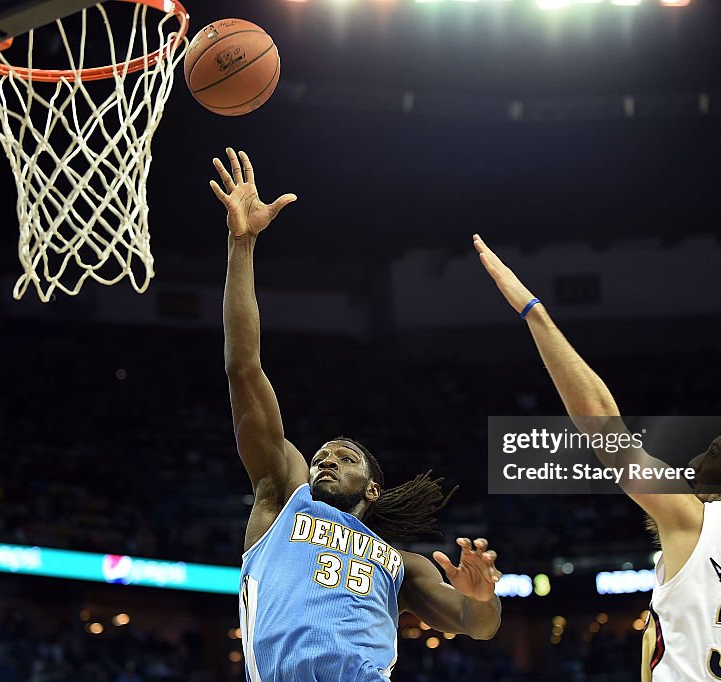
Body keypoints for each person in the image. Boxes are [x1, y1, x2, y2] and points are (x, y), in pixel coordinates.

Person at [472, 234, 721, 682]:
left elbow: (604, 423)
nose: (698, 459)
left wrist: (535, 313)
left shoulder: (697, 520)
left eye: (714, 452)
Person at [210, 149, 502, 682]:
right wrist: (242, 244)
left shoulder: (400, 566)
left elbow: (475, 625)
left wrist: (481, 597)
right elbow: (243, 367)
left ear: (371, 489)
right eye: (321, 454)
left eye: (343, 459)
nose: (323, 460)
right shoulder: (283, 496)